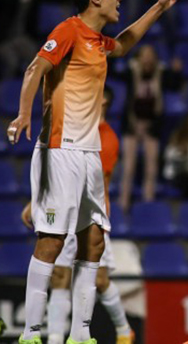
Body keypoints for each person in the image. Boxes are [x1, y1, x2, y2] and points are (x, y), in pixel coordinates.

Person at [6, 0, 187, 344]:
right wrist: (24, 112)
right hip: (60, 150)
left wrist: (158, 8)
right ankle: (30, 333)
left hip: (89, 154)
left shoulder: (96, 40)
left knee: (94, 242)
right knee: (52, 242)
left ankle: (80, 334)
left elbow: (124, 44)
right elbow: (35, 67)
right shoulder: (69, 30)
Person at [20, 87, 133, 344]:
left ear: (102, 99)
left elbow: (95, 182)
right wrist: (36, 199)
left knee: (101, 280)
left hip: (88, 211)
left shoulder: (106, 138)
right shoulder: (76, 131)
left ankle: (124, 330)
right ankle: (56, 339)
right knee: (59, 276)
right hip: (65, 206)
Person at [118, 44, 183, 211]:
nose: (147, 59)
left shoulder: (160, 73)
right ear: (138, 58)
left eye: (150, 55)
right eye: (144, 55)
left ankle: (148, 203)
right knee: (129, 166)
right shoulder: (132, 72)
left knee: (151, 166)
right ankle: (123, 203)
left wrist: (177, 71)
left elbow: (175, 85)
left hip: (152, 125)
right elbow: (113, 73)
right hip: (132, 125)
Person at [0, 0, 69, 79]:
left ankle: (38, 90)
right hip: (5, 38)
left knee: (37, 60)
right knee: (11, 62)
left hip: (25, 36)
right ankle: (6, 92)